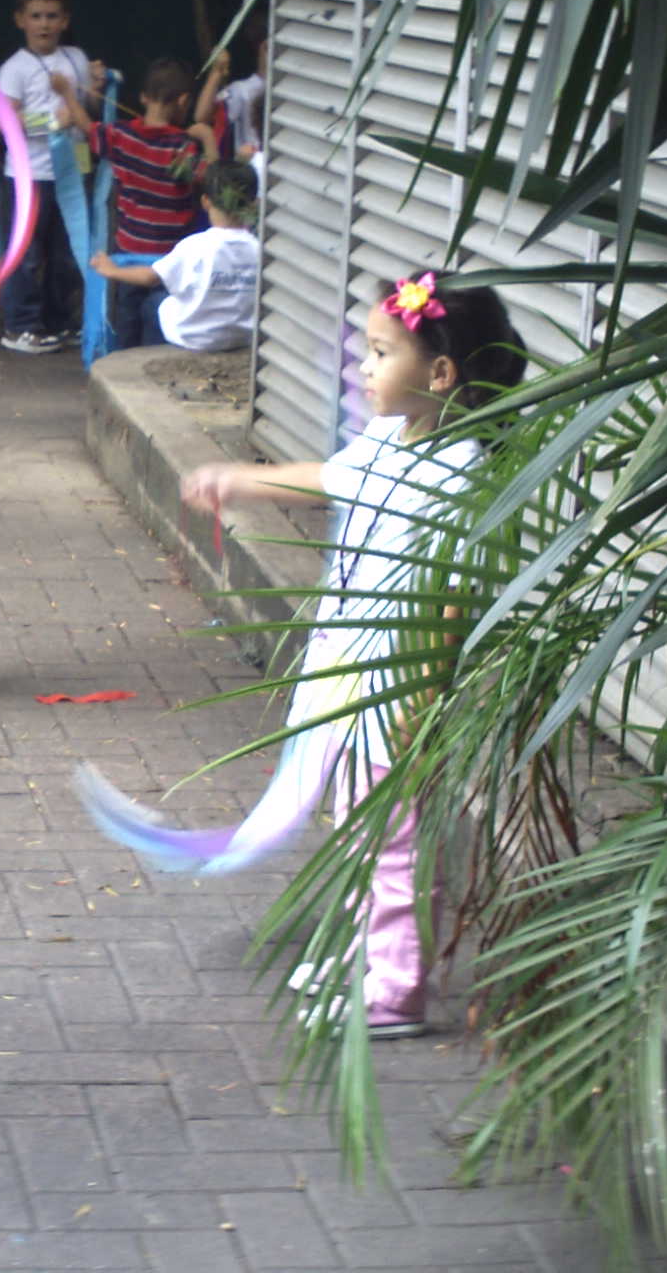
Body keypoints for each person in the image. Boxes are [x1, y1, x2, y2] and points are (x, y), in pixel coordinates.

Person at [175, 270, 526, 1038]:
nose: (360, 368)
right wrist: (242, 480)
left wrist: (420, 690)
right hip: (346, 665)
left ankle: (393, 991)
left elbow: (451, 601)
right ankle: (357, 953)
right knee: (355, 825)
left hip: (397, 683)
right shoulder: (390, 438)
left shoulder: (459, 473)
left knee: (392, 838)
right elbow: (334, 479)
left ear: (440, 374)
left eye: (378, 353)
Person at [0, 0, 101, 355]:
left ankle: (58, 321)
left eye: (51, 16)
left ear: (64, 21)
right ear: (20, 19)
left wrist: (97, 88)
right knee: (26, 255)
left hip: (73, 170)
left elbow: (89, 108)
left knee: (66, 252)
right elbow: (6, 122)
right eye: (36, 16)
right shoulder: (14, 69)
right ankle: (20, 326)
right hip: (30, 175)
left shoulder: (76, 59)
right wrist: (54, 122)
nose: (44, 24)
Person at [94, 56, 218, 348]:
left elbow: (90, 131)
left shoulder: (121, 136)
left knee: (126, 314)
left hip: (128, 252)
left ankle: (121, 370)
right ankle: (150, 371)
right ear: (184, 101)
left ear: (143, 97)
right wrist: (208, 138)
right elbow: (214, 180)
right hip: (168, 256)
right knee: (159, 315)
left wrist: (66, 94)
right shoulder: (181, 148)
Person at [89, 159, 261, 351]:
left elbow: (150, 277)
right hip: (244, 337)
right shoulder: (260, 249)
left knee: (153, 303)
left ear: (205, 201)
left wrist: (111, 270)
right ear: (254, 204)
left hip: (195, 338)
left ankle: (148, 360)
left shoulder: (196, 245)